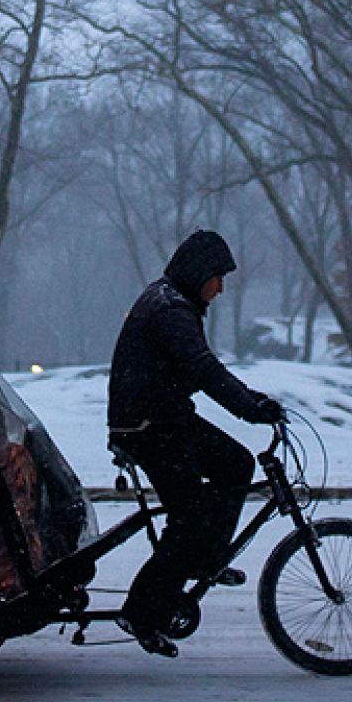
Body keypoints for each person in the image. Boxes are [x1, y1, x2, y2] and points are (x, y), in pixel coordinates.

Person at [107, 230, 284, 658]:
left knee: (235, 464)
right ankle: (142, 613)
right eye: (218, 278)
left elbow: (202, 371)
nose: (220, 289)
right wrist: (249, 408)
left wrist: (253, 400)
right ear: (199, 273)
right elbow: (203, 369)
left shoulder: (175, 302)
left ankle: (206, 560)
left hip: (166, 417)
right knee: (190, 518)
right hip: (146, 426)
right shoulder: (169, 310)